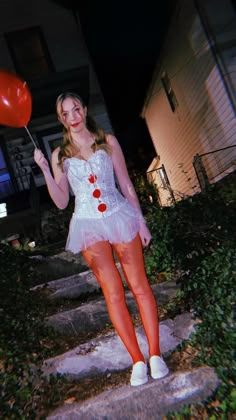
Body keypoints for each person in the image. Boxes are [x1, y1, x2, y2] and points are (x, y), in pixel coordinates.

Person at [34, 92, 169, 386]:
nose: (73, 116)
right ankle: (137, 360)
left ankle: (156, 354)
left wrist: (141, 222)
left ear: (84, 109)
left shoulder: (108, 142)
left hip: (120, 216)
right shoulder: (60, 155)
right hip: (88, 225)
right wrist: (45, 169)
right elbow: (60, 201)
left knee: (140, 286)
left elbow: (126, 184)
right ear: (61, 118)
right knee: (113, 293)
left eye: (76, 108)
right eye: (66, 112)